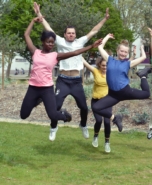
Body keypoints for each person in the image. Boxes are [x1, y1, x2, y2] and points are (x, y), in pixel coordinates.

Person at [33, 2, 110, 141]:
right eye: (69, 33)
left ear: (75, 34)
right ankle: (53, 128)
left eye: (73, 33)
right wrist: (39, 14)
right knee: (56, 106)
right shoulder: (60, 42)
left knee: (84, 108)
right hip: (63, 80)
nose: (71, 35)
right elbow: (48, 27)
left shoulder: (80, 42)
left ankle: (83, 125)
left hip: (76, 82)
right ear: (65, 34)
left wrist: (104, 19)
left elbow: (93, 31)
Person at [20, 17, 102, 142]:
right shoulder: (35, 52)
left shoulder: (55, 56)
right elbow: (27, 34)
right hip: (42, 85)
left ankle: (72, 120)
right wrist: (34, 20)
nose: (51, 44)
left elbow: (75, 53)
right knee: (24, 115)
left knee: (75, 109)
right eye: (48, 42)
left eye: (52, 42)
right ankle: (41, 107)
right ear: (43, 42)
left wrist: (91, 46)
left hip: (55, 86)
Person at [91, 34, 151, 131]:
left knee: (147, 93)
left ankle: (143, 75)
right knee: (96, 107)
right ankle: (115, 118)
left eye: (125, 52)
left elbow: (143, 57)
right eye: (121, 51)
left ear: (127, 53)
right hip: (113, 95)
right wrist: (107, 37)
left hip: (125, 91)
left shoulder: (128, 63)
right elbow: (100, 47)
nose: (123, 53)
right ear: (117, 51)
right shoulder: (109, 59)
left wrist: (142, 48)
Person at [82, 57, 112, 153]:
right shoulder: (95, 71)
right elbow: (86, 63)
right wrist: (77, 52)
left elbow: (124, 66)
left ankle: (107, 142)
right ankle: (95, 136)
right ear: (99, 65)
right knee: (98, 120)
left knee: (107, 122)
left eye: (106, 65)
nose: (105, 67)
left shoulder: (111, 73)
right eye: (103, 65)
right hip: (96, 101)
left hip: (107, 102)